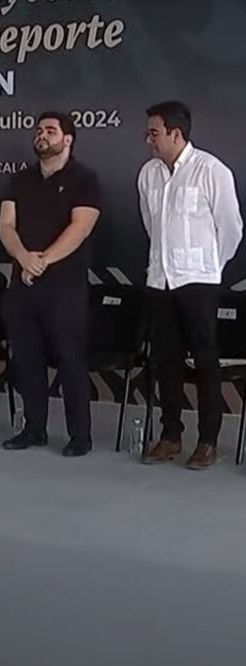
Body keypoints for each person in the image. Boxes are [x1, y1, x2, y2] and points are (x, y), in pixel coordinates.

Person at [139, 101, 244, 470]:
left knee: (205, 361)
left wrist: (211, 266)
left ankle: (208, 441)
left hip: (198, 281)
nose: (148, 140)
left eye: (154, 133)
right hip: (160, 279)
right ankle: (170, 436)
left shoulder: (211, 170)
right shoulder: (148, 174)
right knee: (165, 360)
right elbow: (152, 225)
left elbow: (230, 227)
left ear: (175, 133)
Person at [0, 112, 101, 457]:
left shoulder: (84, 178)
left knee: (71, 362)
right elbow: (6, 225)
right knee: (28, 360)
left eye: (50, 130)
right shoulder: (20, 179)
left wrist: (42, 261)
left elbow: (81, 227)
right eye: (39, 129)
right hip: (23, 284)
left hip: (65, 288)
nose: (42, 135)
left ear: (67, 139)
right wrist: (23, 258)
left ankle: (80, 436)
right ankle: (34, 428)